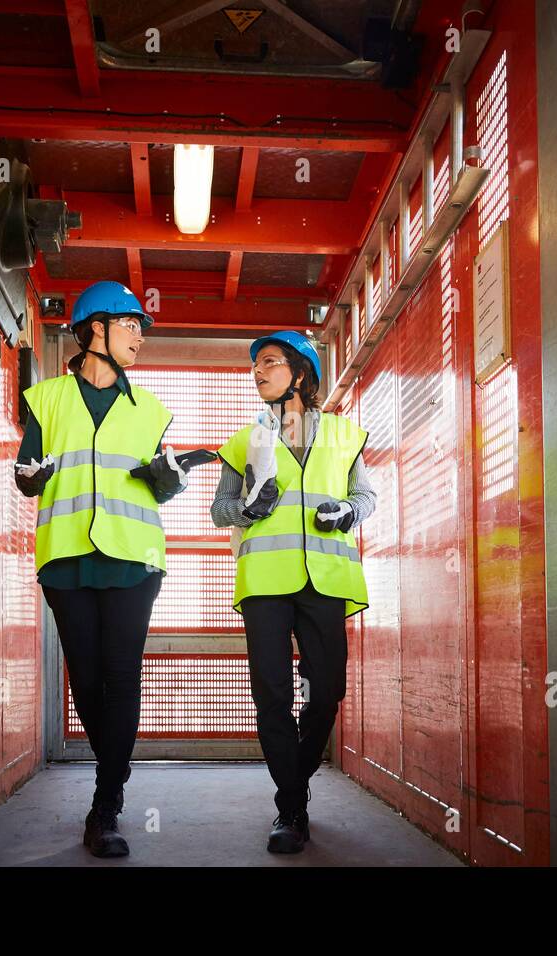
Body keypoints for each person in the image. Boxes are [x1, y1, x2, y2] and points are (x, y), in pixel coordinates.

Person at [15, 280, 191, 858]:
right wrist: (28, 477)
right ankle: (111, 775)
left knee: (122, 676)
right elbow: (27, 469)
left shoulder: (153, 411)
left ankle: (106, 806)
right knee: (86, 681)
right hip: (66, 560)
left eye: (142, 326)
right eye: (130, 324)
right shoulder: (45, 400)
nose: (140, 335)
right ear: (95, 329)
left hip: (133, 563)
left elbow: (162, 487)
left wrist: (168, 481)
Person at [210, 330, 376, 853]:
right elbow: (220, 509)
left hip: (326, 580)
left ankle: (294, 782)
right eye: (255, 365)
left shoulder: (346, 436)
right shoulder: (244, 441)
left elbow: (365, 495)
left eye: (271, 362)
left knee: (326, 690)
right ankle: (291, 809)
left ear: (301, 374)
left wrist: (348, 511)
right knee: (273, 695)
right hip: (265, 584)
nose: (258, 371)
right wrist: (247, 510)